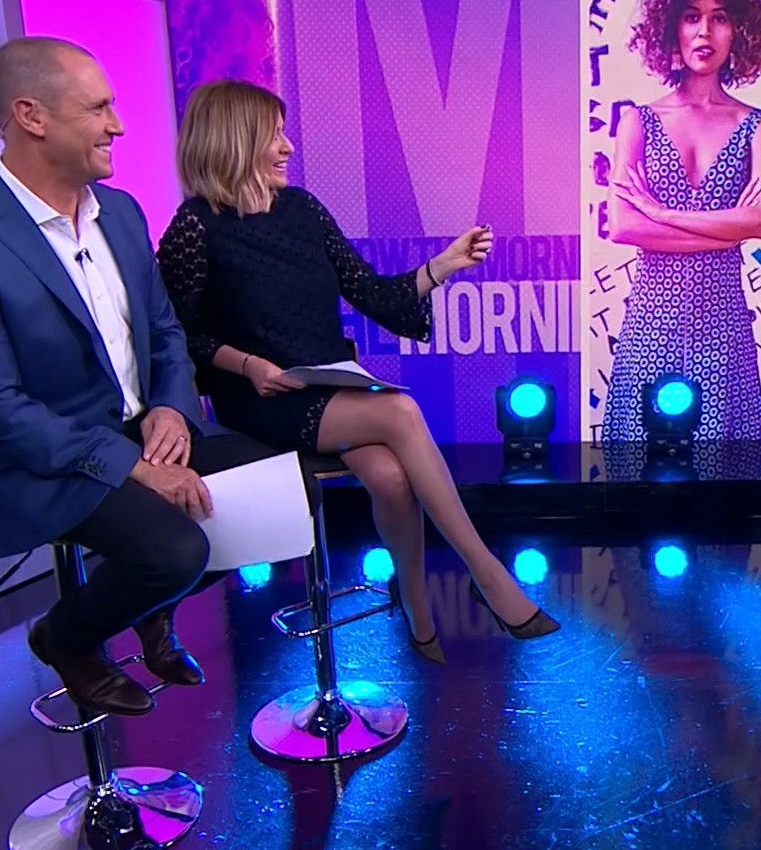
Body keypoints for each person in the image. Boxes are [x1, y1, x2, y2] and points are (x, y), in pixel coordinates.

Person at [0, 37, 279, 718]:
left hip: (137, 430)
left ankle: (149, 605)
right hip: (35, 459)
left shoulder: (122, 213)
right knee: (174, 551)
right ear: (31, 116)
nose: (118, 126)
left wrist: (172, 408)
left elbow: (164, 332)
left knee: (269, 492)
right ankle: (67, 637)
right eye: (98, 108)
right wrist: (135, 467)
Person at [156, 80, 559, 662]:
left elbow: (373, 293)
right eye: (274, 136)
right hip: (259, 397)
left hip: (327, 384)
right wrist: (247, 364)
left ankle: (415, 601)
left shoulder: (303, 210)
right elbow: (176, 335)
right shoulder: (194, 228)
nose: (288, 147)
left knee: (392, 477)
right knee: (400, 411)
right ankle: (486, 572)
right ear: (235, 141)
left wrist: (443, 266)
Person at [602, 0, 761, 461]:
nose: (705, 31)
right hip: (650, 322)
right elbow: (623, 226)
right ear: (670, 28)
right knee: (639, 471)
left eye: (720, 17)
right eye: (691, 16)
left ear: (739, 30)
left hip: (723, 325)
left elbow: (759, 222)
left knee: (723, 474)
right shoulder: (637, 121)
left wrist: (662, 215)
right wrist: (726, 229)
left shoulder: (756, 124)